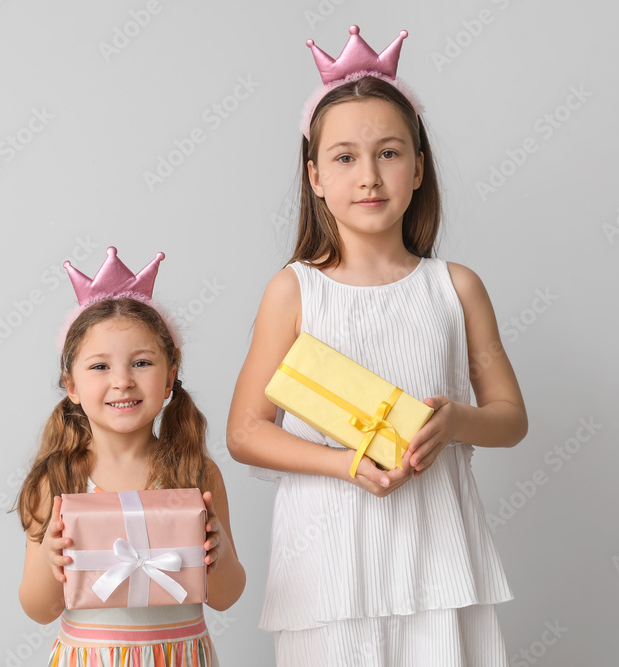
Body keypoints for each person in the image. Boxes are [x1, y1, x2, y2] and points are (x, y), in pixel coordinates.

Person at [227, 26, 527, 666]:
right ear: (314, 176)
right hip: (326, 561)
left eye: (389, 153)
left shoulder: (456, 287)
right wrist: (345, 463)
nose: (368, 176)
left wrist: (457, 421)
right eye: (343, 158)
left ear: (418, 168)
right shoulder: (293, 292)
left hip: (439, 555)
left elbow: (511, 418)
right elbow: (246, 431)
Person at [17, 248, 246, 666]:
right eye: (100, 367)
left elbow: (226, 598)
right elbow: (38, 609)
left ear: (169, 378)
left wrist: (221, 551)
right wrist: (50, 562)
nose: (122, 381)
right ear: (70, 385)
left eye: (141, 362)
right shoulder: (58, 479)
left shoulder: (195, 473)